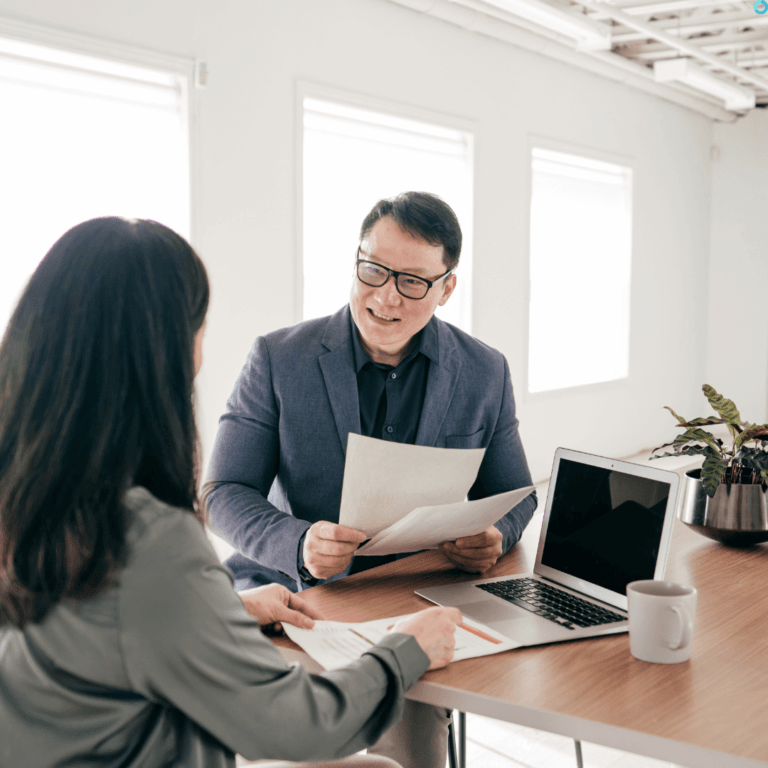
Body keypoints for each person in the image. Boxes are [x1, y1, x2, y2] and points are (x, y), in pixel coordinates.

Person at [0, 217, 461, 768]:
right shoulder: (150, 538)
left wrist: (227, 611)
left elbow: (96, 628)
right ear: (165, 351)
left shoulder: (34, 495)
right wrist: (407, 649)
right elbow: (298, 727)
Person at [206, 192, 538, 768]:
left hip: (411, 596)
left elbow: (516, 493)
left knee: (411, 742)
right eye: (373, 270)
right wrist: (299, 541)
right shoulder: (278, 357)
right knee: (297, 739)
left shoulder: (486, 371)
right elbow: (222, 493)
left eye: (412, 281)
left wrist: (494, 535)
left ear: (447, 287)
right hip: (294, 596)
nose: (385, 296)